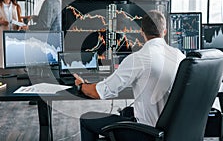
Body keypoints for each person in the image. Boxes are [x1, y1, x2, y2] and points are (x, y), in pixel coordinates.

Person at [73, 10, 186, 140]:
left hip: (148, 133)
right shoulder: (180, 56)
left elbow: (99, 92)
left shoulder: (139, 59)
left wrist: (81, 85)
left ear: (142, 32)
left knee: (87, 119)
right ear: (164, 31)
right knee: (126, 112)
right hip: (174, 132)